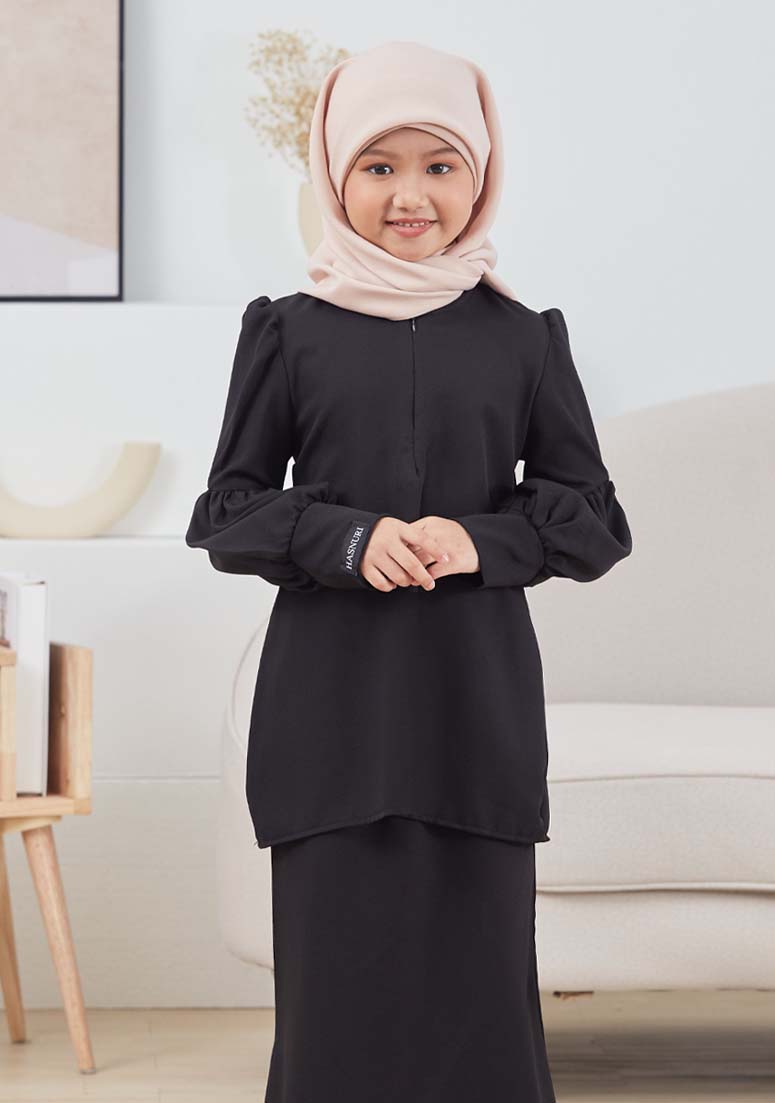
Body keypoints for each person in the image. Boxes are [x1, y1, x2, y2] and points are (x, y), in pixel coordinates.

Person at [186, 39, 632, 1103]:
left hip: (472, 702)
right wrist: (347, 538)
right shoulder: (288, 331)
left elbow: (594, 522)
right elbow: (226, 514)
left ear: (482, 174)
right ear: (332, 173)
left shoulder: (523, 337)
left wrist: (480, 541)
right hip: (328, 708)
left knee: (479, 999)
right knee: (335, 994)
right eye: (377, 166)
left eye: (439, 165)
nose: (409, 196)